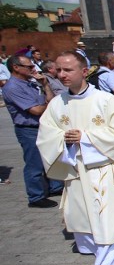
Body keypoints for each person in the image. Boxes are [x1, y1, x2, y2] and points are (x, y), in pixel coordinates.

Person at [36, 51, 114, 265]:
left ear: (84, 72)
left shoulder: (105, 100)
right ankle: (93, 247)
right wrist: (62, 139)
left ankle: (111, 260)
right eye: (59, 70)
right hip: (76, 169)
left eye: (68, 70)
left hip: (104, 169)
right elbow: (45, 135)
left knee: (111, 217)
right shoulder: (57, 104)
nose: (61, 75)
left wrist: (86, 137)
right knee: (84, 214)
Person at [3, 54, 64, 207]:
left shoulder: (31, 83)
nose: (33, 69)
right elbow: (36, 110)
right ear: (16, 68)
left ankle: (55, 186)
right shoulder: (13, 87)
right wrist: (49, 106)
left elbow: (50, 99)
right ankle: (36, 196)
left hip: (42, 126)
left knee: (50, 157)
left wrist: (45, 85)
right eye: (29, 67)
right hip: (28, 129)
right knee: (34, 163)